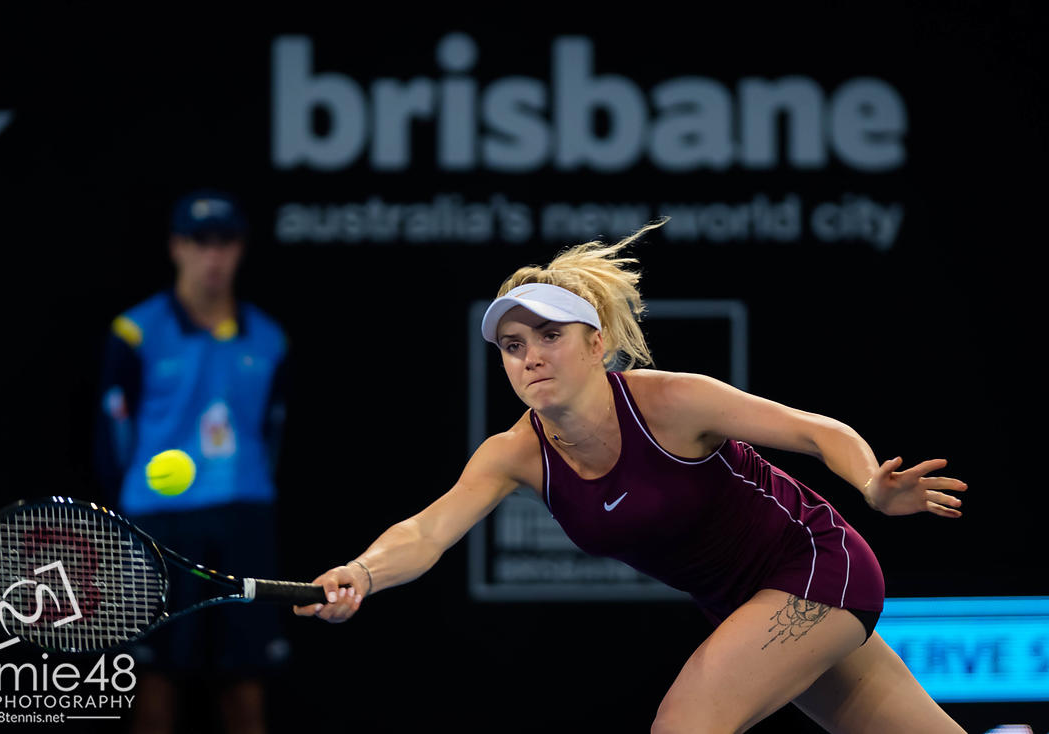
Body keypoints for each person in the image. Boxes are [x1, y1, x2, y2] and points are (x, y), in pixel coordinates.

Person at [293, 220, 969, 732]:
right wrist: (363, 571)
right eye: (513, 346)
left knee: (685, 725)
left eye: (550, 336)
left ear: (597, 344)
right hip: (743, 603)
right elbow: (427, 531)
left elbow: (814, 431)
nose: (530, 358)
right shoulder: (513, 453)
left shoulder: (673, 402)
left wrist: (872, 485)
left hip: (818, 565)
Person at [94, 190, 291, 734]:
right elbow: (112, 434)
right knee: (156, 679)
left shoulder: (270, 339)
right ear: (177, 247)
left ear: (240, 249)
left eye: (225, 242)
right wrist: (127, 510)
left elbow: (273, 433)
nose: (213, 255)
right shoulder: (134, 332)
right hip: (158, 521)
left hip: (244, 517)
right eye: (200, 241)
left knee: (246, 680)